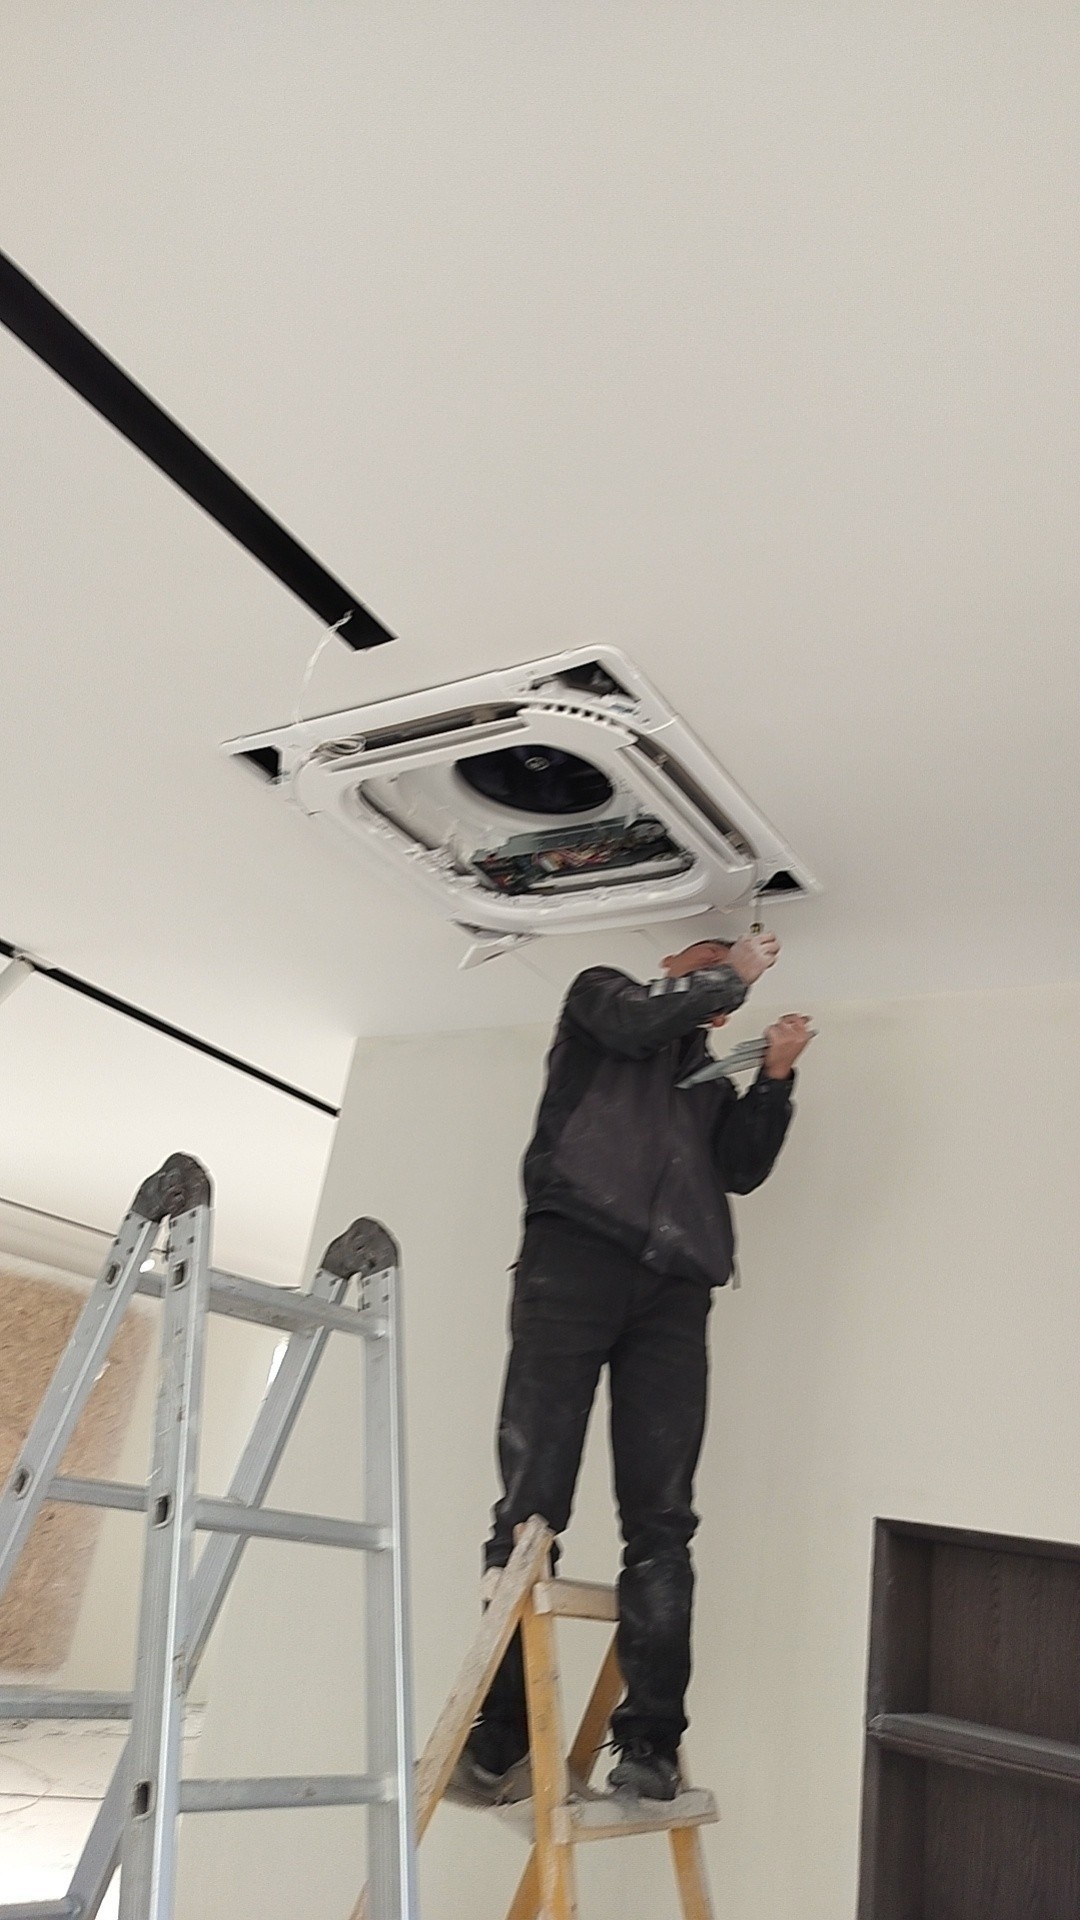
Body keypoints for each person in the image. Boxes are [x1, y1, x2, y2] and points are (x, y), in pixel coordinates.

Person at [453, 930, 813, 1804]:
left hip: (676, 1291)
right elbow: (636, 1020)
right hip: (573, 1259)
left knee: (663, 1521)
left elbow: (741, 1169)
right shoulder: (600, 1002)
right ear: (676, 964)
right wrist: (731, 973)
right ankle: (501, 1732)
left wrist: (774, 1077)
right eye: (708, 964)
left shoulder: (708, 1083)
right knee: (531, 1507)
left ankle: (649, 1742)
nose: (721, 987)